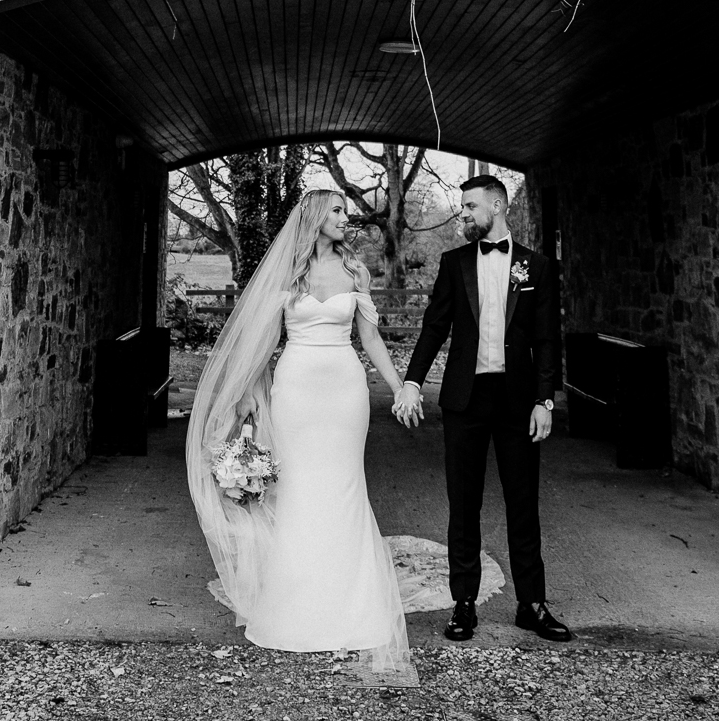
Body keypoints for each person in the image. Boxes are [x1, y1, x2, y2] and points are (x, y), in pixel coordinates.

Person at [185, 188, 418, 685]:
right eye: (336, 209)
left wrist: (400, 388)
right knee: (300, 492)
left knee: (345, 488)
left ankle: (352, 607)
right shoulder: (288, 274)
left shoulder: (357, 271)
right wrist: (246, 393)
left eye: (344, 210)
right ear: (314, 217)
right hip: (295, 392)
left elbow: (370, 337)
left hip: (345, 391)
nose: (345, 216)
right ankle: (296, 606)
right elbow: (262, 342)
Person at [394, 174, 573, 643]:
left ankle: (532, 604)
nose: (465, 215)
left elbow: (546, 340)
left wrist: (545, 399)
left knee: (523, 503)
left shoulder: (537, 266)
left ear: (497, 204)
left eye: (471, 206)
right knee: (463, 503)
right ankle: (464, 603)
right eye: (464, 207)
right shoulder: (454, 263)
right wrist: (412, 381)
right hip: (464, 400)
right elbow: (435, 326)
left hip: (517, 401)